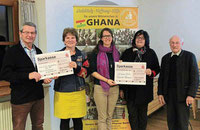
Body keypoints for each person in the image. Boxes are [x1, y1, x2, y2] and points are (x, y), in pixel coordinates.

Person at [0, 22, 52, 130]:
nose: (30, 35)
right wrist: (27, 75)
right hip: (21, 98)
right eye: (26, 32)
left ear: (35, 34)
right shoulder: (12, 52)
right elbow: (6, 74)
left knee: (38, 125)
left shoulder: (38, 51)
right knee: (19, 127)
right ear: (20, 33)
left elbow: (39, 73)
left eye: (32, 33)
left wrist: (44, 79)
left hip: (38, 96)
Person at [120, 30, 160, 130]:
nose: (139, 40)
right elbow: (121, 73)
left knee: (142, 116)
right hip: (130, 90)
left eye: (142, 38)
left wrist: (151, 72)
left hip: (144, 90)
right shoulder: (127, 52)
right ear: (134, 39)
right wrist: (121, 89)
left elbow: (157, 68)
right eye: (138, 37)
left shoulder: (151, 53)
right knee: (132, 115)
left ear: (146, 40)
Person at [158, 35, 199, 130]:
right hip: (169, 95)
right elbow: (162, 78)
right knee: (171, 122)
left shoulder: (189, 56)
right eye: (172, 43)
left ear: (182, 44)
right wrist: (160, 93)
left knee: (182, 123)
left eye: (177, 43)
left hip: (183, 96)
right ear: (169, 44)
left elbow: (195, 78)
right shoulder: (165, 58)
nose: (174, 45)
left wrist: (191, 95)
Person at [54, 28, 89, 130]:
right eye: (67, 37)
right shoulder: (57, 55)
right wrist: (53, 75)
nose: (70, 40)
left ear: (76, 40)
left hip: (78, 93)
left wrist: (77, 67)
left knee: (78, 121)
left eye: (72, 37)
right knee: (64, 121)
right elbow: (52, 71)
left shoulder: (82, 55)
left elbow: (86, 74)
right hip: (62, 93)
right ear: (64, 40)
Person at [88, 28, 120, 130]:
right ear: (101, 38)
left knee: (110, 116)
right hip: (100, 88)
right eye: (105, 36)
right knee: (102, 117)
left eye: (109, 36)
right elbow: (92, 71)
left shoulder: (116, 53)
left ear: (112, 37)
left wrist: (122, 65)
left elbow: (119, 70)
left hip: (114, 88)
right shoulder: (95, 53)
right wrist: (106, 80)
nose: (107, 38)